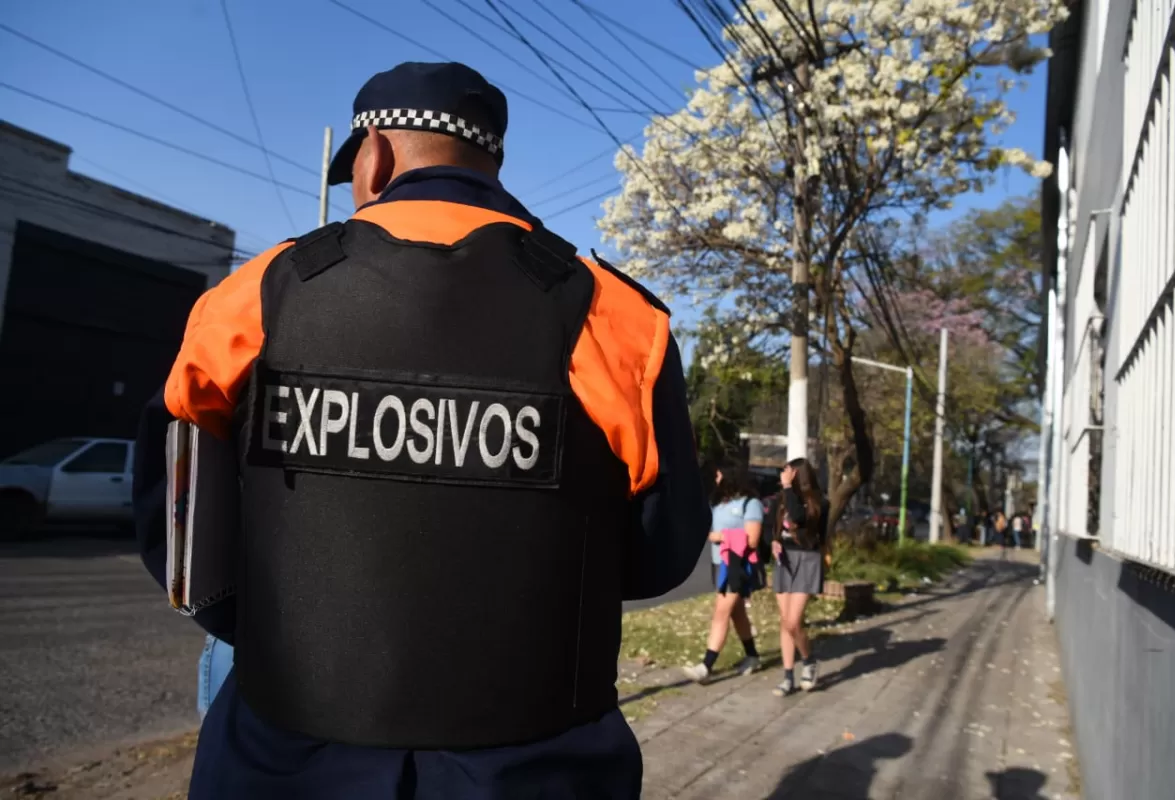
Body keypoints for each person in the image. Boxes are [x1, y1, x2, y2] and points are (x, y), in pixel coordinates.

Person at [131, 61, 710, 799]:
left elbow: (177, 531)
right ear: (492, 161)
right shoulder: (618, 317)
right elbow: (660, 556)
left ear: (371, 156)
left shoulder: (255, 295)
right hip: (539, 768)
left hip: (286, 757)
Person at [682, 462, 763, 683]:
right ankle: (753, 656)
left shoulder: (751, 504)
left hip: (736, 565)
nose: (716, 477)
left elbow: (753, 539)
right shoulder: (718, 503)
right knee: (736, 612)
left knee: (721, 612)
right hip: (719, 564)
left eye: (719, 473)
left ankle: (706, 666)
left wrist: (722, 536)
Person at [772, 457, 829, 697]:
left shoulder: (818, 503)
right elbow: (774, 527)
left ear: (797, 475)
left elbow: (797, 517)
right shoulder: (783, 498)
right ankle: (788, 676)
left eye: (788, 472)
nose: (783, 476)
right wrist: (774, 541)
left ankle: (808, 660)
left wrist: (787, 488)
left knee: (794, 622)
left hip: (806, 559)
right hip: (784, 559)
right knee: (785, 622)